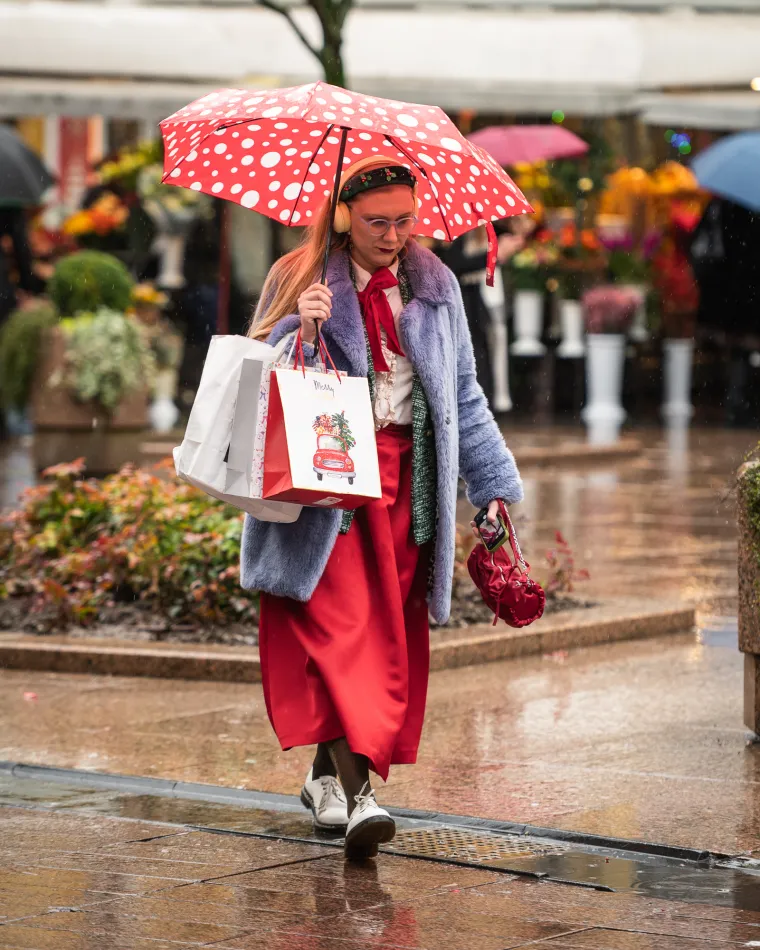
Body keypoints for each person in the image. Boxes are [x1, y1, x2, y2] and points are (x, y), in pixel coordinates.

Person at [242, 156, 523, 860]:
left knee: (382, 635)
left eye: (404, 220)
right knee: (342, 632)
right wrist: (297, 333)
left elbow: (462, 397)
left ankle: (322, 780)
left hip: (407, 486)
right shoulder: (296, 275)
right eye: (377, 222)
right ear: (344, 215)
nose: (393, 235)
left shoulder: (436, 286)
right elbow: (254, 377)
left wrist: (490, 486)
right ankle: (362, 794)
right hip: (325, 487)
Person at [437, 227, 523, 409]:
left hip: (489, 304)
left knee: (488, 353)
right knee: (474, 354)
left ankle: (487, 402)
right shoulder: (457, 237)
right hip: (468, 303)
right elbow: (456, 264)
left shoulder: (496, 233)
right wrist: (493, 256)